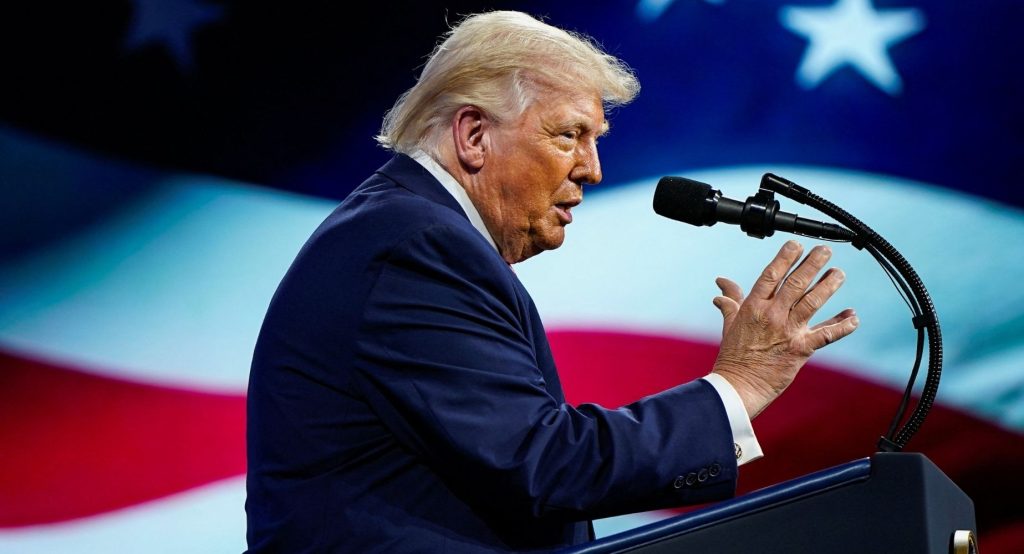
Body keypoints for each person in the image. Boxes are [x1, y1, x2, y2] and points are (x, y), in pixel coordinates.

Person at [245, 10, 859, 553]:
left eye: (595, 140)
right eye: (569, 135)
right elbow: (545, 464)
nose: (592, 169)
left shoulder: (408, 232)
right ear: (474, 135)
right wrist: (740, 384)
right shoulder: (418, 246)